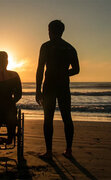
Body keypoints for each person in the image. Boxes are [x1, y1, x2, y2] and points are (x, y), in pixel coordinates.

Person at [36, 20, 80, 159]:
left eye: (49, 30)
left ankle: (49, 152)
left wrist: (38, 90)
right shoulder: (69, 48)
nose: (48, 33)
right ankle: (69, 150)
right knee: (67, 118)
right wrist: (64, 73)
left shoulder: (46, 46)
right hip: (63, 86)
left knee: (48, 119)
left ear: (51, 31)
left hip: (49, 86)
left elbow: (40, 69)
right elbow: (77, 70)